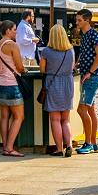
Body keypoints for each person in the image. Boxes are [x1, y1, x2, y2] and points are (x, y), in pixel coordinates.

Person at [40, 24, 76, 157]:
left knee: (55, 119)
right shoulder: (70, 50)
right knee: (65, 119)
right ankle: (70, 146)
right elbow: (71, 67)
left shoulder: (46, 51)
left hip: (53, 83)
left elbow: (42, 70)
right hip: (67, 83)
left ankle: (59, 149)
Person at [0, 20, 26, 157]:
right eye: (14, 29)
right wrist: (24, 69)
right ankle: (10, 147)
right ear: (7, 31)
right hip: (11, 84)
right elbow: (19, 67)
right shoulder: (12, 45)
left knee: (4, 116)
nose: (16, 32)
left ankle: (5, 146)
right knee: (19, 117)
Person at [75, 9, 98, 154]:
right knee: (91, 110)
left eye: (79, 20)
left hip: (92, 76)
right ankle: (93, 142)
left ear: (87, 20)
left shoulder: (93, 34)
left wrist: (90, 72)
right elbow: (85, 53)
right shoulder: (85, 35)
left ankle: (88, 143)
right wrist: (77, 64)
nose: (77, 22)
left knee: (82, 109)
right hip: (89, 75)